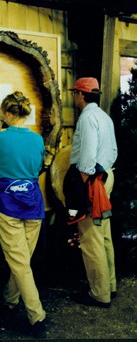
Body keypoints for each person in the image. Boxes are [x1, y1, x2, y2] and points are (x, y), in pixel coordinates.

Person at [0, 91, 46, 338]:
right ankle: (9, 301)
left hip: (7, 205)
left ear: (8, 113)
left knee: (19, 261)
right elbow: (34, 167)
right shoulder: (38, 139)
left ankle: (37, 316)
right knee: (22, 260)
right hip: (33, 203)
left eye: (3, 114)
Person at [65, 77, 118, 308]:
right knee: (103, 234)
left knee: (90, 238)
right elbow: (114, 150)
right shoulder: (104, 116)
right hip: (106, 176)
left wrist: (84, 185)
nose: (74, 97)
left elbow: (86, 157)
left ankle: (99, 293)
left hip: (92, 181)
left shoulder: (86, 118)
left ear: (80, 95)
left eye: (75, 93)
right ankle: (110, 285)